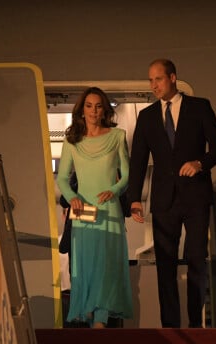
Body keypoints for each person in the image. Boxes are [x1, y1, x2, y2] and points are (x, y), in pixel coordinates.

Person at [127, 59, 216, 328]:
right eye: (150, 80)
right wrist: (134, 199)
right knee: (166, 266)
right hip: (163, 200)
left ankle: (196, 325)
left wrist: (199, 163)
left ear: (172, 78)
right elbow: (137, 160)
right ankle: (171, 327)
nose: (153, 86)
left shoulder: (199, 107)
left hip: (195, 197)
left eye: (158, 79)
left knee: (196, 260)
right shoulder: (147, 116)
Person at [56, 86, 133, 328]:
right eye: (88, 106)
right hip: (82, 211)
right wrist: (71, 197)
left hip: (109, 208)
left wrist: (115, 189)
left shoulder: (117, 136)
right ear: (81, 110)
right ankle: (90, 316)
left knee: (106, 266)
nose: (93, 111)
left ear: (105, 110)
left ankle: (100, 319)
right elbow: (62, 178)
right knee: (85, 264)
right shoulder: (72, 141)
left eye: (98, 106)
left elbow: (127, 175)